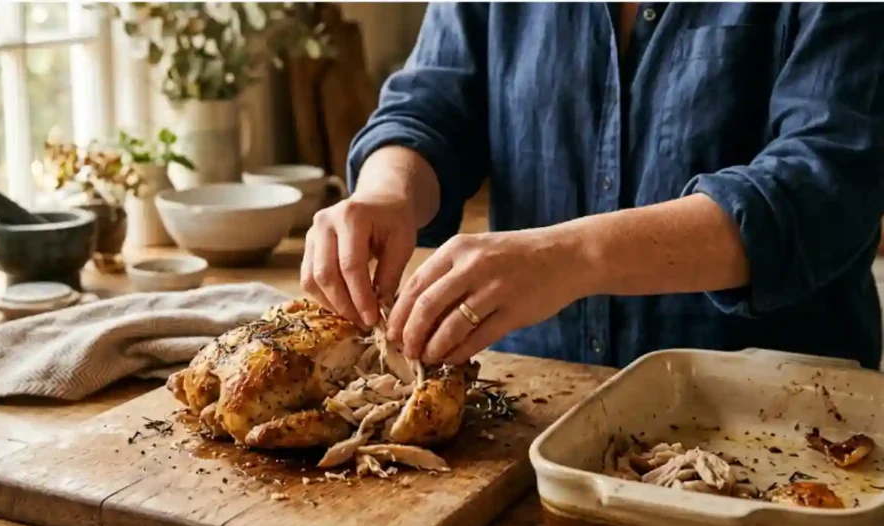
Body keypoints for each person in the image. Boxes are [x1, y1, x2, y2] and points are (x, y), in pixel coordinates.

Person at [300, 3, 884, 370]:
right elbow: (429, 109)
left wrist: (571, 257)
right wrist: (386, 192)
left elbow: (824, 184)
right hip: (531, 412)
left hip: (780, 425)